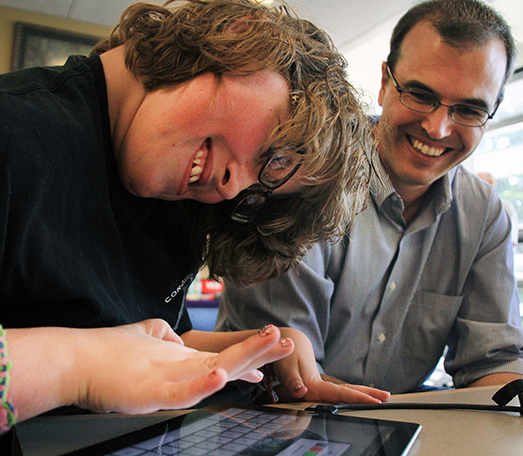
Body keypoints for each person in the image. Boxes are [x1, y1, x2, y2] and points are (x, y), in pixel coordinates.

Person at [0, 0, 390, 453]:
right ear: (239, 37)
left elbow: (146, 334)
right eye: (276, 155)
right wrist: (76, 365)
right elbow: (99, 352)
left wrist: (250, 354)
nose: (233, 188)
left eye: (258, 191)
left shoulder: (175, 190)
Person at [217, 0, 523, 399]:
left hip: (399, 426)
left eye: (468, 109)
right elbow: (288, 375)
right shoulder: (303, 172)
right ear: (384, 83)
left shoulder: (483, 215)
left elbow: (495, 366)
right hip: (265, 416)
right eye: (419, 94)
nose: (437, 128)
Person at [477, 171, 519, 247]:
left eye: (479, 182)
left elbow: (509, 238)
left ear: (490, 183)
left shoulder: (504, 206)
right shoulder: (478, 209)